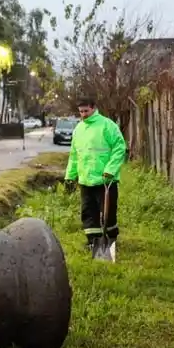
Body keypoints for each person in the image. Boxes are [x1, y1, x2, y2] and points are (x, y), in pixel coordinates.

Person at [64, 98, 127, 251]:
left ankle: (111, 240)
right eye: (80, 112)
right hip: (85, 180)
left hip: (105, 181)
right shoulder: (78, 129)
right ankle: (93, 242)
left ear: (93, 108)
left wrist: (110, 170)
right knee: (88, 213)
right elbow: (74, 155)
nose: (83, 114)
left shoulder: (107, 125)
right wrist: (69, 177)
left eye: (86, 111)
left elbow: (120, 148)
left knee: (108, 213)